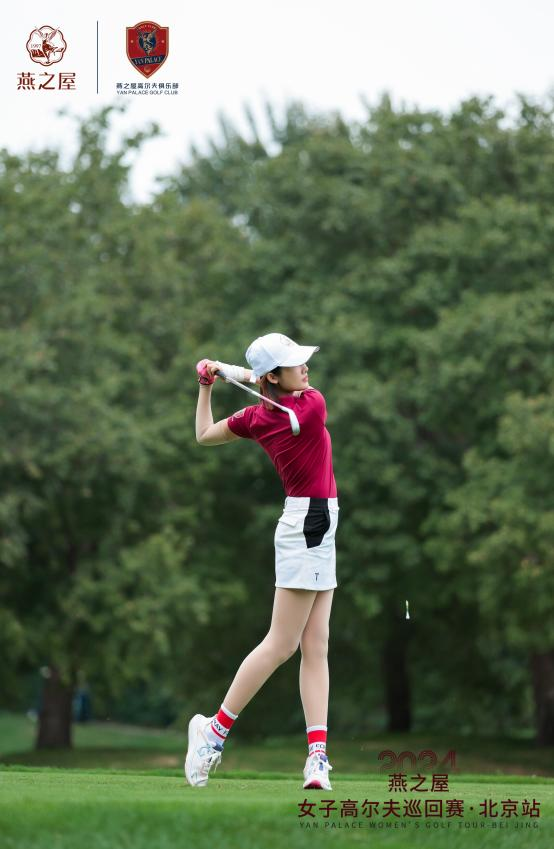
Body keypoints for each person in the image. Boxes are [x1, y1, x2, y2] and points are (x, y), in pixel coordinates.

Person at [185, 332, 339, 790]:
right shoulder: (310, 407)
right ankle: (213, 733)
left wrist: (208, 384)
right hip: (306, 527)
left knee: (316, 645)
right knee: (281, 644)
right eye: (295, 364)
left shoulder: (257, 416)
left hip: (319, 523)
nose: (305, 368)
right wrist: (230, 373)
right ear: (274, 375)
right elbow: (264, 384)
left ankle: (317, 757)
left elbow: (204, 434)